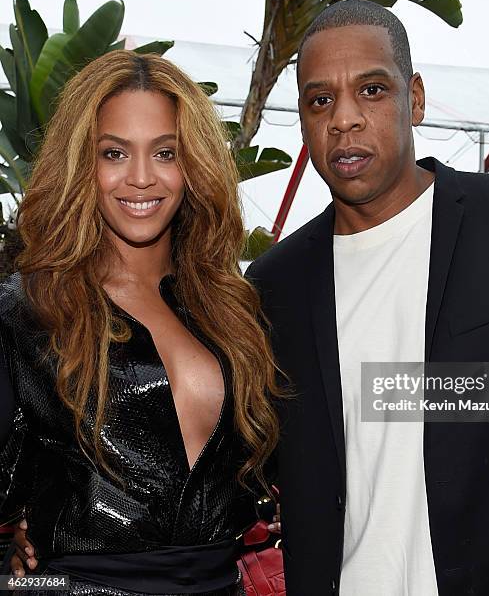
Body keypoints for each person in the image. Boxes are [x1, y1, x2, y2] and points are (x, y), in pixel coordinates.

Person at [244, 0, 489, 596]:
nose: (345, 119)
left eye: (371, 90)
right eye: (319, 100)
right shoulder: (272, 285)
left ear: (414, 98)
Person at [0, 50, 282, 595]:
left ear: (192, 165)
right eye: (114, 153)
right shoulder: (28, 311)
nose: (141, 178)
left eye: (166, 153)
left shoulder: (231, 310)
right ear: (84, 163)